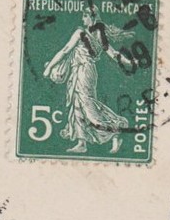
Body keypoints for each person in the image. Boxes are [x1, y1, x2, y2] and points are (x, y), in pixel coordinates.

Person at [43, 8, 130, 154]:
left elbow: (65, 50)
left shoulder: (81, 33)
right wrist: (128, 62)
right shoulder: (99, 36)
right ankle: (81, 142)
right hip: (81, 72)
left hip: (84, 72)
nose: (83, 20)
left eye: (85, 16)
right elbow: (113, 54)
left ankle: (115, 130)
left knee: (88, 106)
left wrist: (49, 67)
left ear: (92, 18)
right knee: (77, 104)